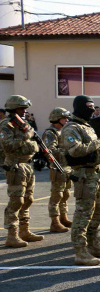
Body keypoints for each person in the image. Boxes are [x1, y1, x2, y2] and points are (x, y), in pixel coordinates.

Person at [59, 95, 100, 265]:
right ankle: (80, 252)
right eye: (88, 106)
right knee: (83, 214)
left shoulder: (87, 126)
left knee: (96, 213)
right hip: (84, 175)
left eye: (93, 106)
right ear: (80, 107)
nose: (92, 110)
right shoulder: (71, 128)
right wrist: (98, 143)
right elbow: (75, 150)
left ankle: (94, 245)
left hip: (96, 174)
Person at [1, 96, 44, 248]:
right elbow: (8, 146)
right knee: (16, 200)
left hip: (26, 165)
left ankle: (24, 231)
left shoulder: (22, 124)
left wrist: (31, 143)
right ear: (13, 109)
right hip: (15, 165)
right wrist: (28, 139)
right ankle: (12, 235)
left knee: (28, 199)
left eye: (25, 108)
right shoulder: (6, 125)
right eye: (21, 108)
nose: (25, 111)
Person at [43, 107, 74, 234]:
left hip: (66, 167)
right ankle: (55, 222)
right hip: (57, 167)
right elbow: (49, 151)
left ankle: (63, 217)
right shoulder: (51, 133)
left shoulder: (63, 131)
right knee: (57, 195)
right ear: (56, 118)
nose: (66, 120)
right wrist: (67, 152)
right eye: (64, 118)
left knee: (66, 194)